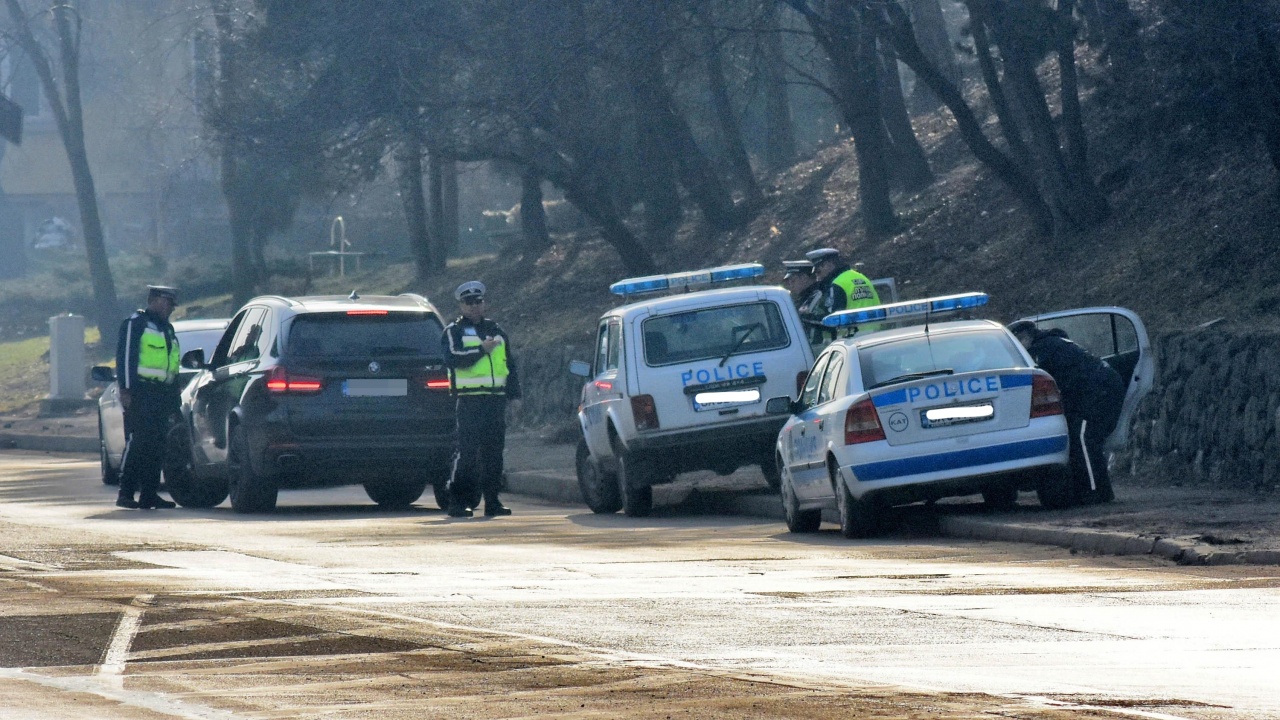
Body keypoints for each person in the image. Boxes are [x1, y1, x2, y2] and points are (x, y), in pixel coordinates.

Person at [1008, 319, 1126, 505]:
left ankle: (1096, 492)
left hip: (1099, 391)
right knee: (1083, 438)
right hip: (1103, 386)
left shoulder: (1041, 351)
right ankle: (1092, 490)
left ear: (1024, 338)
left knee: (1084, 439)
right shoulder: (1053, 342)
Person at [441, 281, 521, 518]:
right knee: (467, 454)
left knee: (494, 453)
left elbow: (509, 364)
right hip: (469, 401)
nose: (474, 307)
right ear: (461, 305)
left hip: (495, 400)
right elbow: (453, 358)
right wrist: (480, 350)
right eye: (469, 303)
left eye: (478, 302)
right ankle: (458, 501)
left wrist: (515, 396)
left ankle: (492, 501)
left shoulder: (496, 330)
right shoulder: (453, 331)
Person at [113, 285, 182, 510]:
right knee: (139, 443)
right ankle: (125, 493)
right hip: (140, 393)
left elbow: (171, 366)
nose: (170, 308)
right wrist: (126, 390)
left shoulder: (167, 329)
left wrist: (175, 401)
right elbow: (125, 357)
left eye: (172, 304)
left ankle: (149, 495)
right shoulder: (136, 323)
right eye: (166, 302)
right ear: (153, 300)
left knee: (157, 445)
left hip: (161, 395)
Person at [805, 247, 881, 336]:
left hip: (851, 340)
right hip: (875, 335)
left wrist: (807, 318)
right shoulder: (860, 277)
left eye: (818, 271)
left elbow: (832, 320)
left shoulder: (837, 284)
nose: (818, 276)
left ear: (828, 265)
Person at [781, 259, 826, 347]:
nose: (790, 285)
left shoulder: (818, 295)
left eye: (793, 281)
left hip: (818, 345)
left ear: (804, 278)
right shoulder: (803, 297)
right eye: (789, 281)